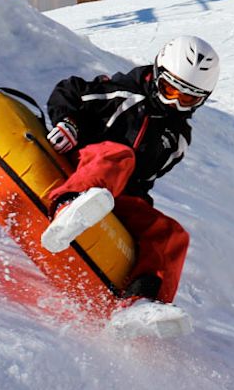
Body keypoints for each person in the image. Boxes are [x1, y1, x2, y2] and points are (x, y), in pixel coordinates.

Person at [39, 35, 220, 304]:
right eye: (171, 91)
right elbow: (69, 91)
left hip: (114, 194)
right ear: (157, 74)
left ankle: (143, 303)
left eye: (188, 100)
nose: (175, 104)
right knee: (120, 155)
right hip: (83, 163)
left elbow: (143, 182)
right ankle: (68, 207)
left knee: (172, 234)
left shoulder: (177, 138)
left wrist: (141, 217)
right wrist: (69, 123)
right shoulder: (121, 92)